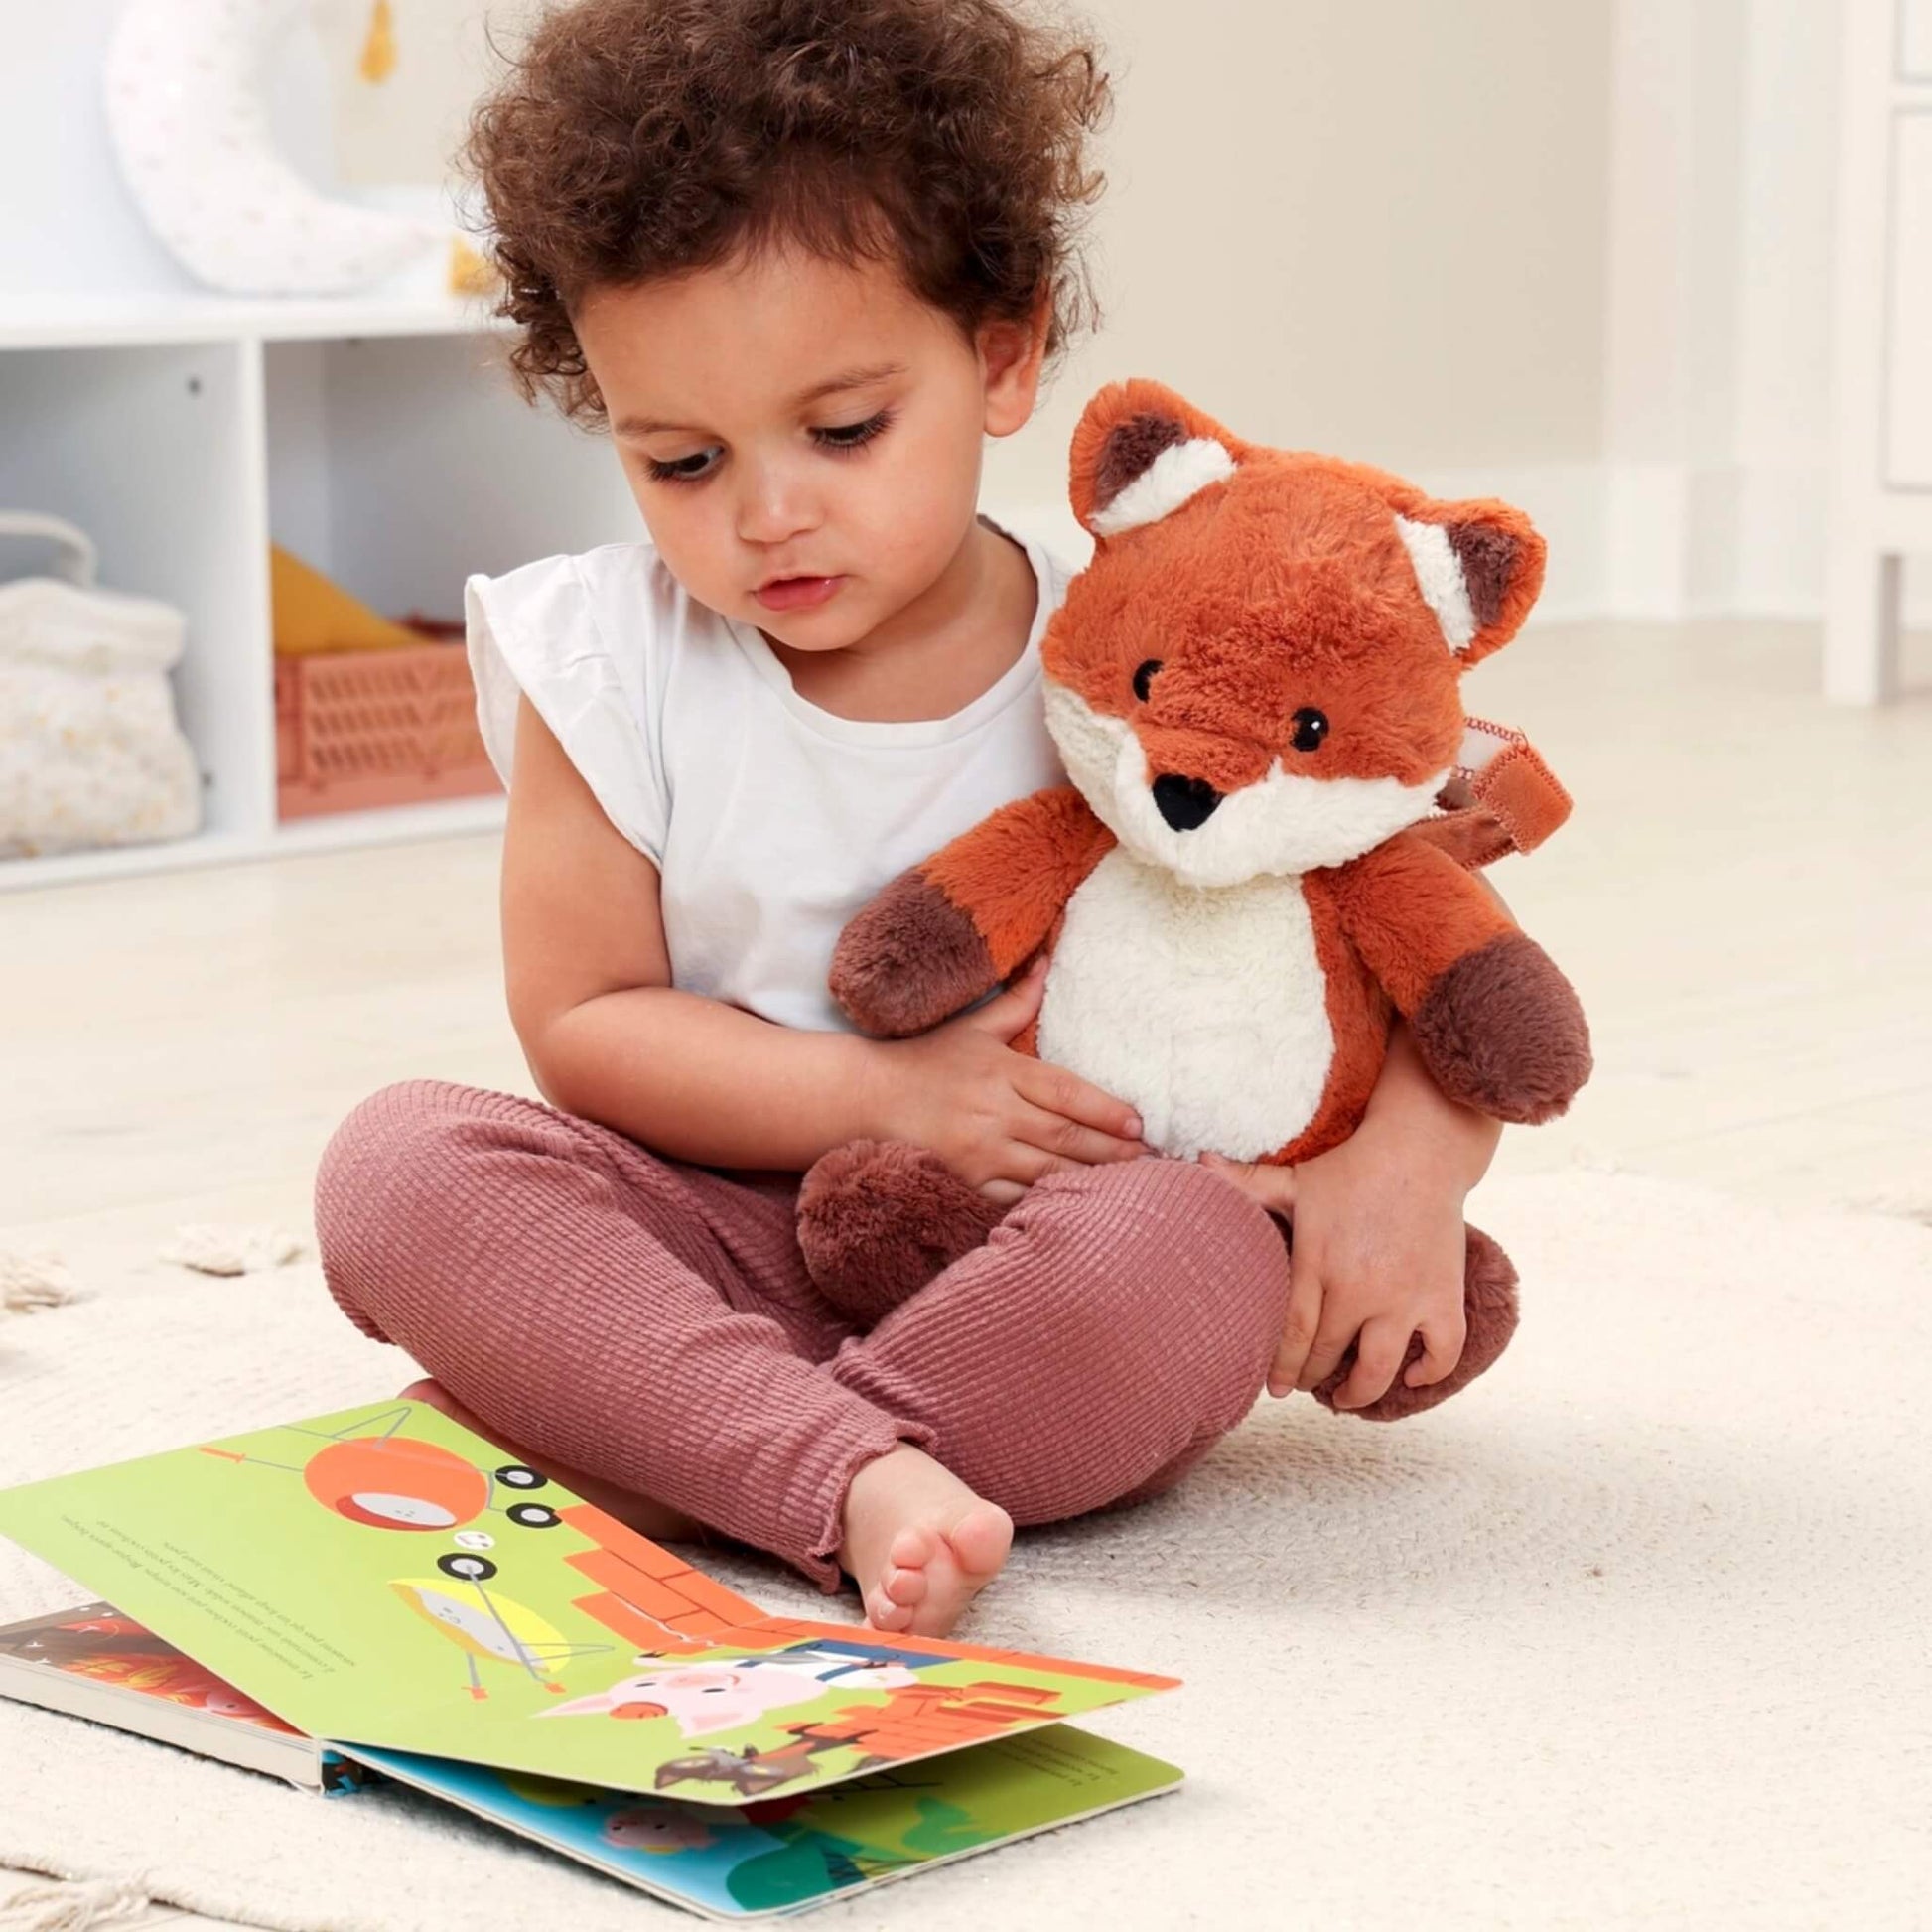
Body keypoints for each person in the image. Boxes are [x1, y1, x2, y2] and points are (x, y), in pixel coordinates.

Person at [314, 0, 1504, 1638]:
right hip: (720, 1220)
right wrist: (887, 1094)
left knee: (1191, 1257)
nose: (765, 512)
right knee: (398, 1167)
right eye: (676, 458)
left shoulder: (1145, 640)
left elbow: (1429, 916)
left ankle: (662, 1437)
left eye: (844, 429)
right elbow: (584, 1023)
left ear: (1002, 354)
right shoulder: (602, 656)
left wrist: (1416, 1175)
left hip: (1039, 1259)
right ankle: (837, 1471)